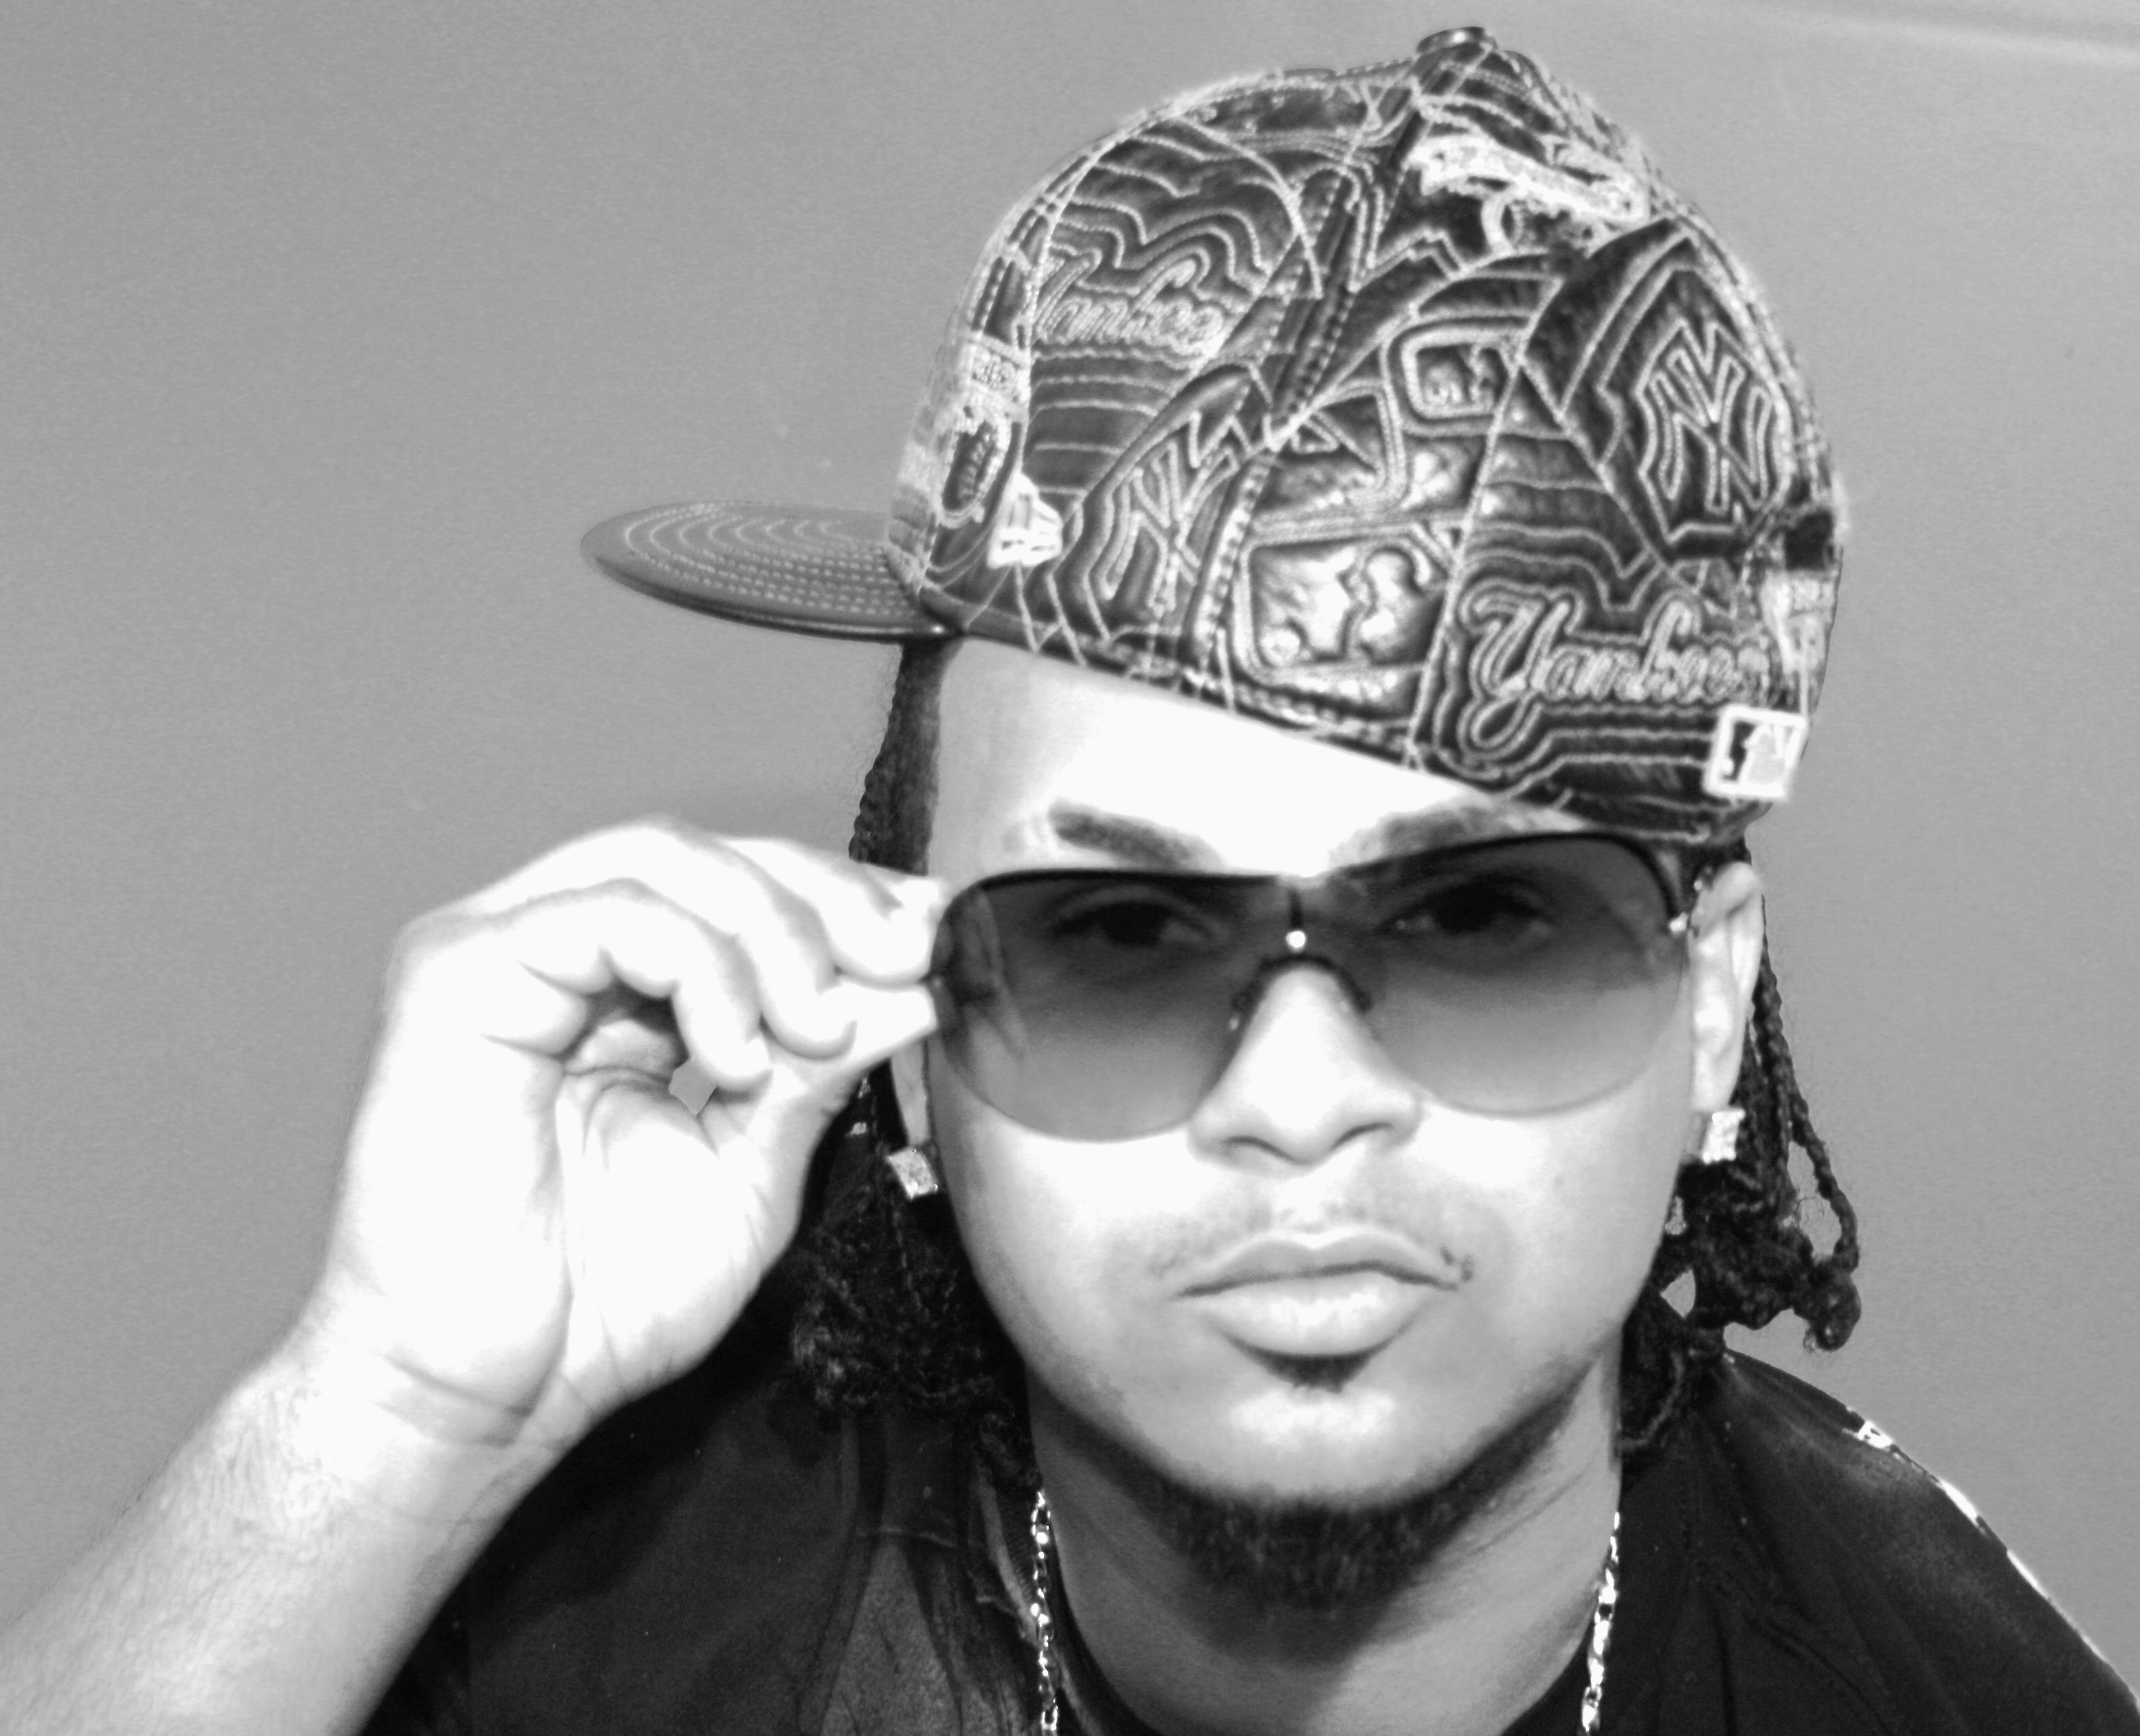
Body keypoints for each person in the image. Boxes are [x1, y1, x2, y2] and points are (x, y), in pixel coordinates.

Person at [1, 25, 2133, 1736]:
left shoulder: (1943, 1698)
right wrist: (394, 1412)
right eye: (1116, 940)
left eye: (1484, 923)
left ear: (1705, 1012)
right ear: (905, 1048)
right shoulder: (598, 1609)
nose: (1298, 1101)